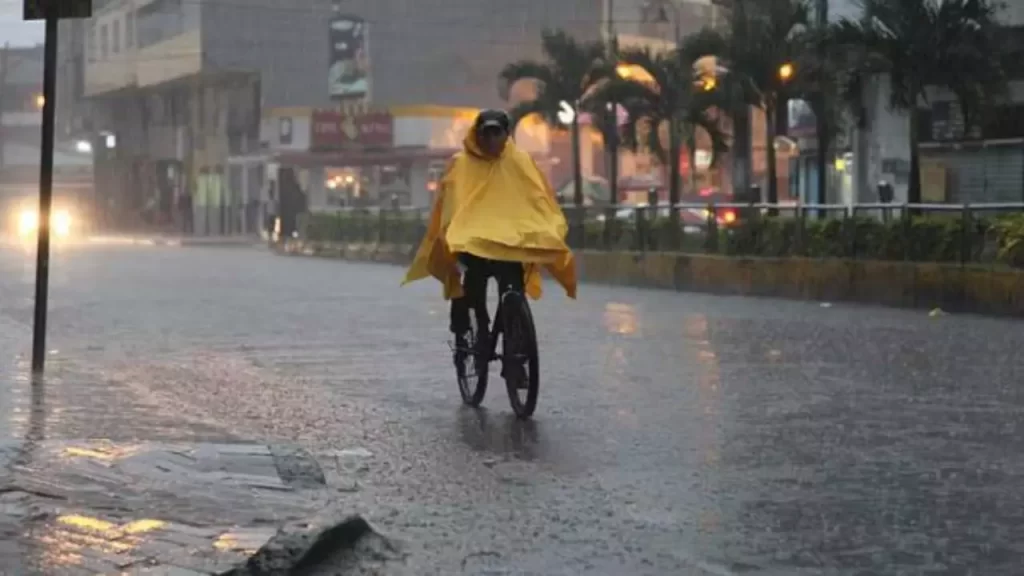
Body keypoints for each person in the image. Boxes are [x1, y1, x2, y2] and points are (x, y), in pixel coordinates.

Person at [402, 109, 576, 352]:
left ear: (507, 135)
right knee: (471, 286)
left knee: (514, 289)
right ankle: (468, 332)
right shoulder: (461, 164)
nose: (492, 140)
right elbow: (451, 205)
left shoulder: (521, 162)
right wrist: (457, 232)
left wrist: (545, 227)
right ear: (478, 134)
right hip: (473, 242)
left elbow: (539, 199)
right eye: (487, 133)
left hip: (511, 241)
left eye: (497, 133)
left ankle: (516, 352)